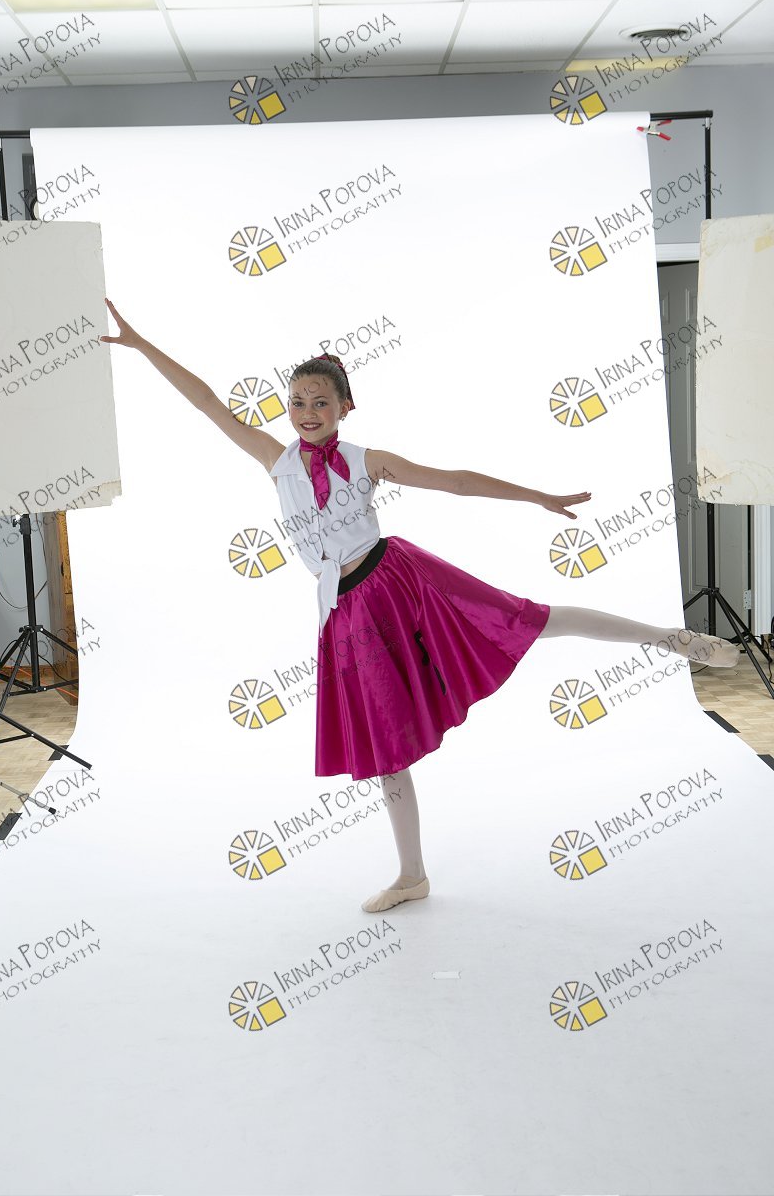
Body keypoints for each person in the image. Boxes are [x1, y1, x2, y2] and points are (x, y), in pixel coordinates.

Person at [100, 298, 740, 914]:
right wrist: (139, 344)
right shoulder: (276, 460)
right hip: (347, 613)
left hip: (400, 583)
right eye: (297, 401)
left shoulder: (366, 460)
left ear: (345, 407)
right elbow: (206, 401)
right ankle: (413, 875)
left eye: (320, 402)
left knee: (527, 619)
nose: (307, 412)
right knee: (387, 745)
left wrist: (537, 497)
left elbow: (455, 481)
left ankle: (669, 638)